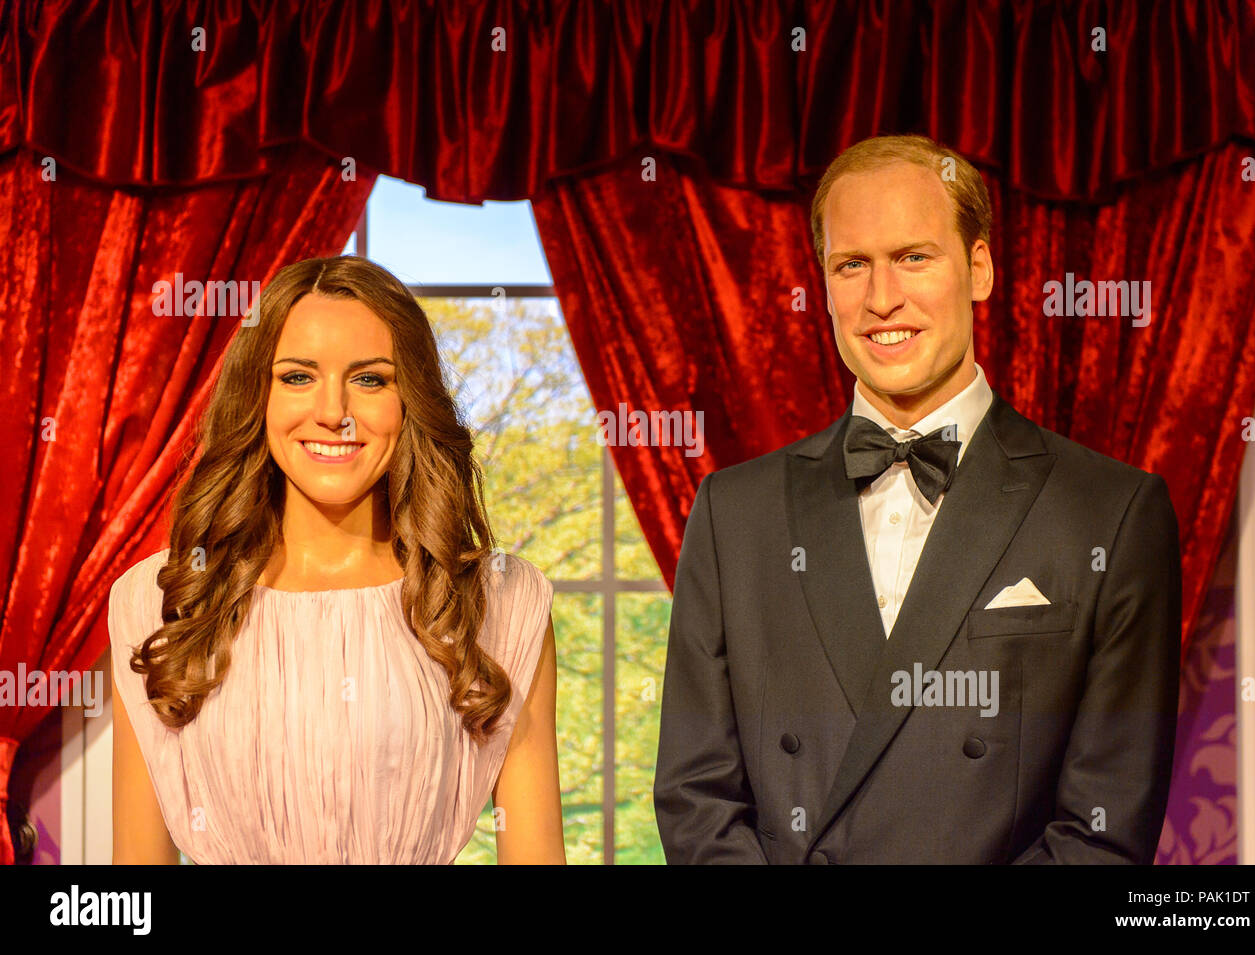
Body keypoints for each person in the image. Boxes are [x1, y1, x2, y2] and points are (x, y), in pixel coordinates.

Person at [653, 134, 1182, 864]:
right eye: (852, 265)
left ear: (979, 268)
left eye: (913, 257)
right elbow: (695, 799)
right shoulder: (731, 514)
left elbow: (1103, 832)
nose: (881, 299)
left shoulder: (1111, 513)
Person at [110, 255, 565, 864]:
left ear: (411, 401)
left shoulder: (500, 599)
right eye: (297, 376)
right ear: (257, 396)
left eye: (371, 379)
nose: (333, 410)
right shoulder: (159, 600)